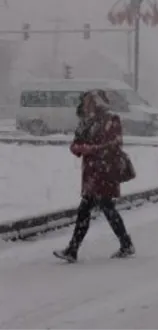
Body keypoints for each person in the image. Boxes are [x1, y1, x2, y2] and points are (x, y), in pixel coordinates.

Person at [54, 90, 135, 263]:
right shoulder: (85, 122)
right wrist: (79, 148)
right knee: (99, 209)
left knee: (97, 208)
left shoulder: (111, 119)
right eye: (85, 101)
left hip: (105, 171)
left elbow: (115, 142)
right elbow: (76, 144)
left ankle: (74, 249)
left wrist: (92, 149)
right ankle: (124, 244)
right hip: (92, 173)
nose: (86, 104)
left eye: (90, 101)